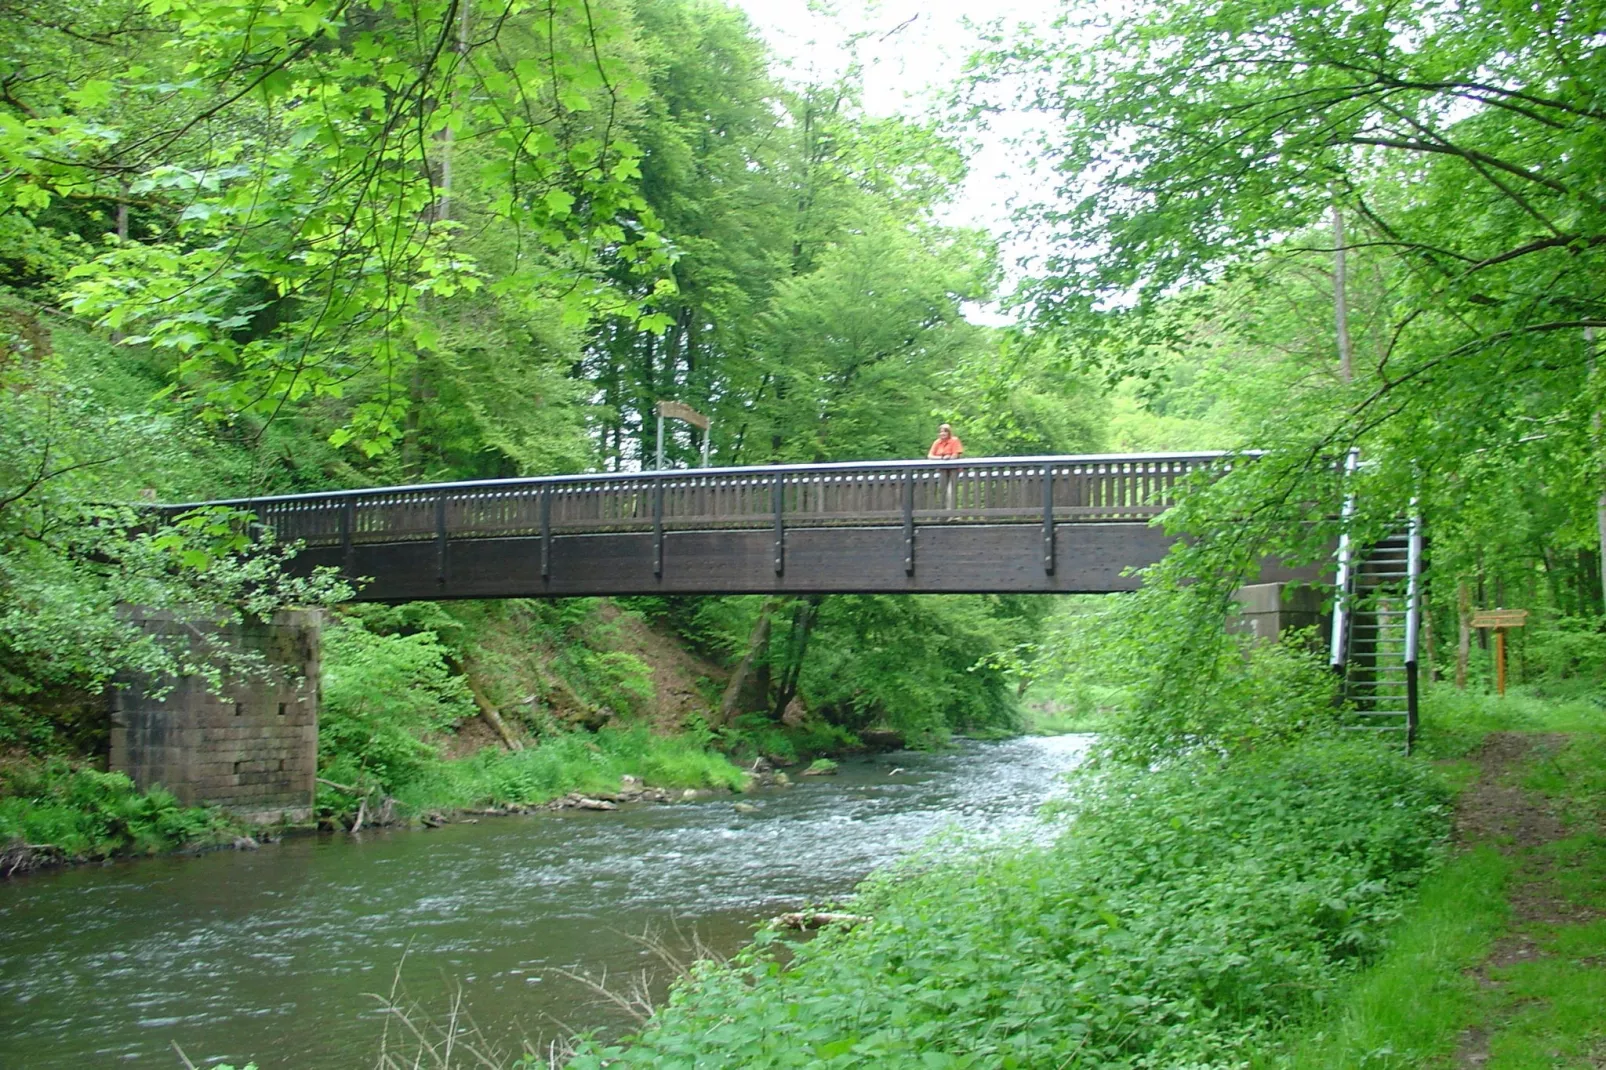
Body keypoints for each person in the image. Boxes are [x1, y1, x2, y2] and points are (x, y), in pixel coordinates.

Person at [927, 423, 964, 510]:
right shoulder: (937, 442)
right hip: (942, 470)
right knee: (942, 491)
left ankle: (952, 513)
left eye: (945, 432)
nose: (942, 434)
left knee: (951, 492)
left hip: (953, 470)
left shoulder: (954, 440)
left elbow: (955, 455)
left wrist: (949, 458)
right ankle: (943, 513)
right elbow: (930, 456)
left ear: (949, 433)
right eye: (941, 432)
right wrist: (942, 458)